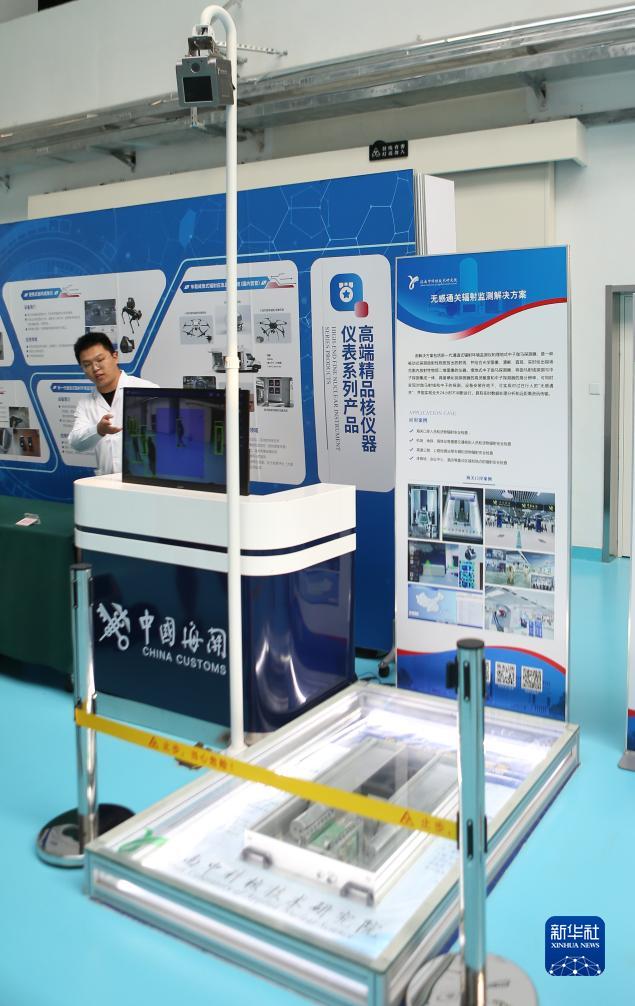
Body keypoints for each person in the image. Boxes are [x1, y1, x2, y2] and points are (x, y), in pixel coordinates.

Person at [68, 332, 157, 475]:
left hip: (145, 480)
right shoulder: (86, 403)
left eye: (100, 359)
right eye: (87, 364)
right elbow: (76, 443)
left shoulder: (147, 390)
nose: (95, 368)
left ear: (115, 356)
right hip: (107, 482)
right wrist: (98, 430)